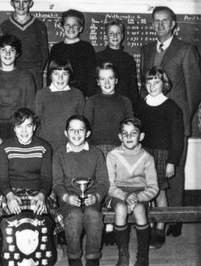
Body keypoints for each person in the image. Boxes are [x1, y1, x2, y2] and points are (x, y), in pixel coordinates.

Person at [140, 6, 201, 236]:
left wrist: (180, 118)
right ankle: (155, 221)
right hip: (152, 126)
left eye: (165, 21)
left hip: (175, 124)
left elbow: (195, 91)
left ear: (174, 24)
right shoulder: (146, 49)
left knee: (173, 175)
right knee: (152, 174)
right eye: (156, 21)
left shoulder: (186, 50)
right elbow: (144, 86)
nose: (160, 25)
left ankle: (174, 220)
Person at [0, 108, 64, 242]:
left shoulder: (44, 147)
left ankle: (42, 249)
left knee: (40, 212)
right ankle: (9, 250)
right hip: (11, 191)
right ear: (14, 128)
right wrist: (10, 196)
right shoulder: (5, 148)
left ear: (34, 127)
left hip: (37, 191)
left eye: (28, 126)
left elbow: (46, 178)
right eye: (19, 127)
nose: (24, 131)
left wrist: (42, 195)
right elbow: (2, 179)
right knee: (10, 212)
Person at [136, 66, 184, 249]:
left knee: (160, 192)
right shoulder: (141, 104)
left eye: (156, 82)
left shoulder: (171, 107)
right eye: (149, 82)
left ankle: (159, 230)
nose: (152, 85)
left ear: (164, 84)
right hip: (143, 154)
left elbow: (177, 137)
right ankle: (145, 226)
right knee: (145, 192)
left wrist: (172, 161)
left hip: (162, 154)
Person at [52, 115, 109, 266]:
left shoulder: (96, 153)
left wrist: (96, 197)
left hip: (92, 198)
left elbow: (103, 182)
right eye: (72, 130)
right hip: (68, 200)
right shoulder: (59, 154)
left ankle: (92, 256)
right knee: (74, 216)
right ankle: (74, 256)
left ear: (87, 133)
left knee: (93, 215)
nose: (76, 134)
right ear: (66, 133)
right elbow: (57, 183)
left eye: (81, 130)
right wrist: (66, 197)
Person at [106, 117, 159, 266]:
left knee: (140, 209)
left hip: (140, 194)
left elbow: (153, 187)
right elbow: (109, 185)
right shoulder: (112, 156)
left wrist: (138, 197)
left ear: (141, 136)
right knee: (121, 209)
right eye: (125, 133)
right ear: (120, 136)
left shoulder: (147, 158)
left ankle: (142, 257)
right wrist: (124, 196)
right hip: (117, 193)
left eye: (133, 133)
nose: (129, 137)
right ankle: (123, 255)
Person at [0, 34, 35, 149]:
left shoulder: (26, 77)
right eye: (3, 50)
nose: (8, 54)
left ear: (17, 53)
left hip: (20, 128)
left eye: (12, 50)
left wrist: (22, 134)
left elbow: (30, 109)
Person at [0, 0, 49, 90]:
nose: (21, 5)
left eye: (25, 2)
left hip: (34, 72)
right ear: (12, 3)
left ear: (30, 3)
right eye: (17, 1)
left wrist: (38, 70)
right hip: (13, 70)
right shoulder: (5, 26)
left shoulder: (39, 25)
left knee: (31, 104)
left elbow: (44, 52)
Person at [35, 57, 85, 151]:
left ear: (70, 75)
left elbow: (82, 122)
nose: (60, 78)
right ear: (50, 75)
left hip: (70, 145)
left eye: (65, 74)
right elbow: (37, 122)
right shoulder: (41, 94)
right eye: (56, 74)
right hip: (46, 145)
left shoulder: (77, 94)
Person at [84, 62, 133, 156]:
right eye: (102, 79)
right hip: (96, 149)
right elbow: (86, 129)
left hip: (121, 149)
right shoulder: (91, 101)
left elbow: (130, 128)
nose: (107, 83)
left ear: (116, 80)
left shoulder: (125, 101)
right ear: (98, 82)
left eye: (110, 78)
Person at [49, 9, 97, 97]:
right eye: (67, 25)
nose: (71, 28)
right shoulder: (56, 49)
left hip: (81, 94)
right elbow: (51, 73)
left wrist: (89, 96)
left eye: (75, 25)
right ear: (62, 27)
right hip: (60, 93)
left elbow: (91, 76)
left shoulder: (87, 48)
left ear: (81, 28)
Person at [96, 19, 139, 106]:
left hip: (123, 104)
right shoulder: (98, 57)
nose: (115, 36)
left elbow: (133, 88)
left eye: (118, 33)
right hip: (102, 103)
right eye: (111, 33)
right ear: (106, 36)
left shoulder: (129, 59)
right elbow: (93, 85)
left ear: (122, 35)